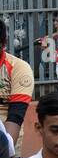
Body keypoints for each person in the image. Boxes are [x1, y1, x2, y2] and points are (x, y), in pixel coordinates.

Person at [0, 18, 35, 148]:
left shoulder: (18, 67)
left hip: (5, 139)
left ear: (4, 43)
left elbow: (15, 115)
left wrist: (6, 150)